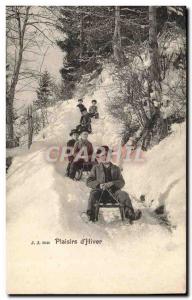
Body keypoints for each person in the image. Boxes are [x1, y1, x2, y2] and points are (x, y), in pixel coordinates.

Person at [86, 145, 142, 222]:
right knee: (93, 194)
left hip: (114, 194)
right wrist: (99, 185)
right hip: (100, 193)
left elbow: (122, 182)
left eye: (107, 155)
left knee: (124, 194)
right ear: (99, 157)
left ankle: (130, 214)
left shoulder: (116, 168)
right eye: (103, 155)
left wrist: (112, 183)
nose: (105, 157)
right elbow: (89, 181)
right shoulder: (96, 168)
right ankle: (90, 215)